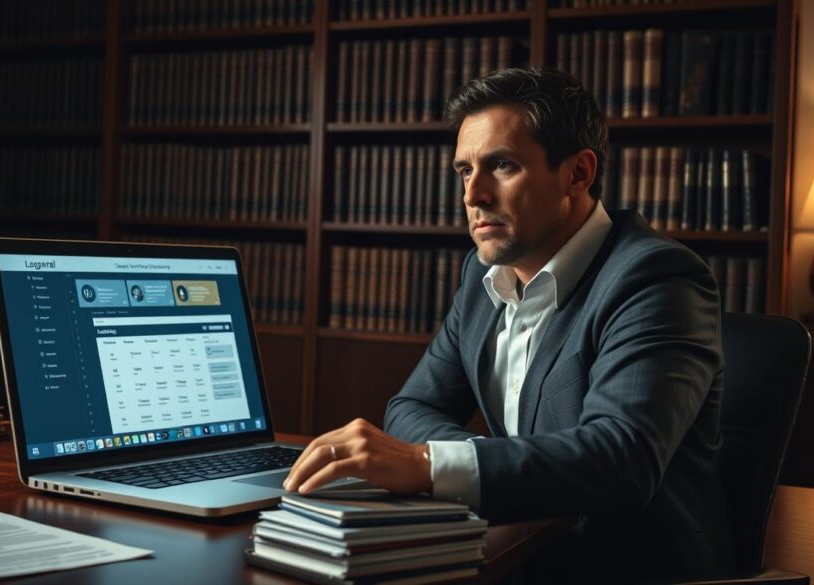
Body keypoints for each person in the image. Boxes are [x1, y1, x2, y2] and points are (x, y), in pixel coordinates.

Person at [283, 68, 734, 581]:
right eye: (464, 170)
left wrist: (429, 465)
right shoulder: (482, 276)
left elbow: (621, 458)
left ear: (578, 174)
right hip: (515, 553)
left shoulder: (657, 278)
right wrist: (465, 461)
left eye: (502, 165)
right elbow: (412, 407)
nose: (473, 195)